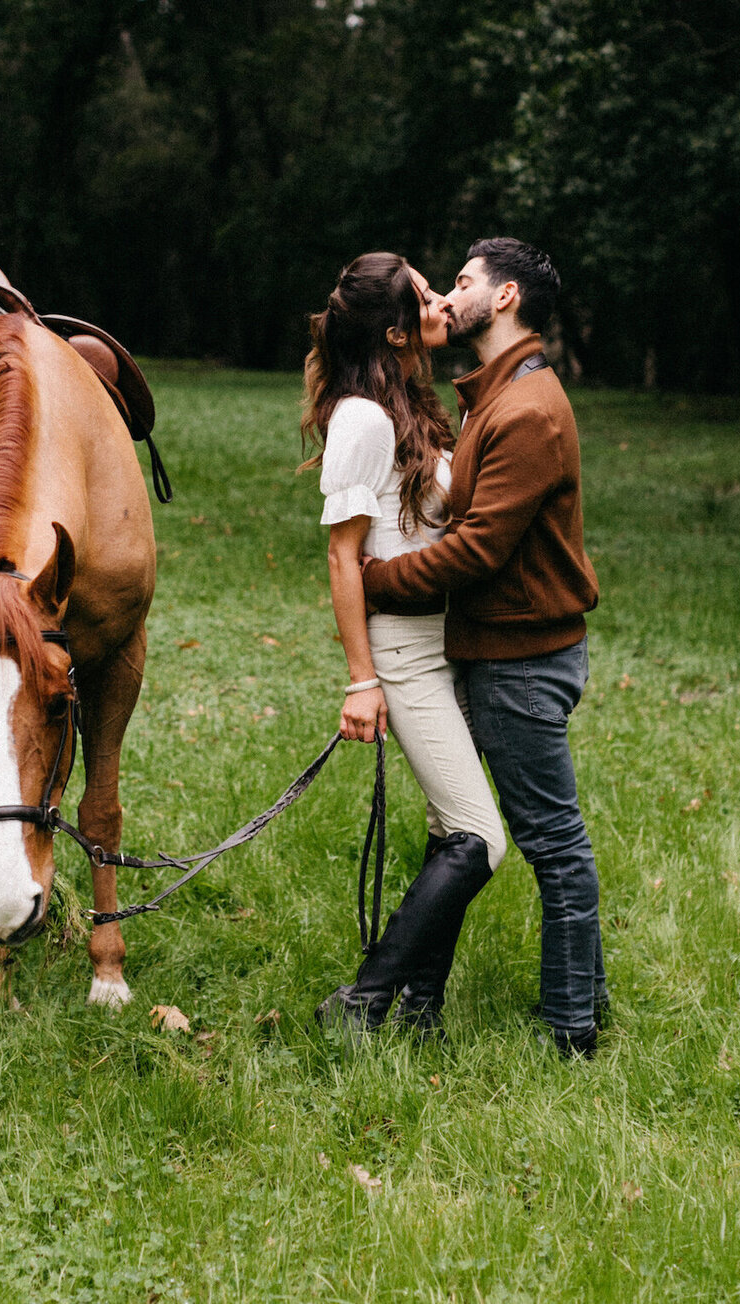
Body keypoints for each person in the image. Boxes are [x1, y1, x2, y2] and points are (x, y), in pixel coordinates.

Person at [361, 237, 605, 1057]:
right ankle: (422, 1007)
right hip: (503, 648)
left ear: (504, 299)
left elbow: (476, 550)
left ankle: (572, 1028)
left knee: (551, 845)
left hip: (522, 660)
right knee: (476, 833)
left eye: (462, 283)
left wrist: (374, 583)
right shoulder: (496, 396)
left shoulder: (527, 410)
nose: (447, 296)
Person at [301, 251, 507, 1038]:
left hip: (442, 644)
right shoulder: (364, 418)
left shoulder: (414, 405)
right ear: (394, 331)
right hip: (403, 655)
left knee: (445, 831)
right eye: (425, 296)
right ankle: (360, 1003)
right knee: (481, 839)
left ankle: (422, 1006)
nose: (440, 303)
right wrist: (362, 679)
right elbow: (340, 555)